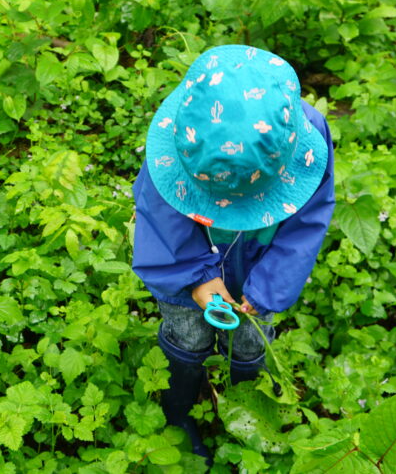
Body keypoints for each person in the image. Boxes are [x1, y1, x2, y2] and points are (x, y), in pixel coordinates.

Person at [131, 44, 335, 460]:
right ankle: (178, 412)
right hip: (185, 266)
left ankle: (244, 407)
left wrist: (268, 289)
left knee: (249, 339)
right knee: (187, 333)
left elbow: (308, 220)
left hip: (259, 260)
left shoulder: (305, 138)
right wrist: (196, 278)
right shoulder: (179, 139)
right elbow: (160, 218)